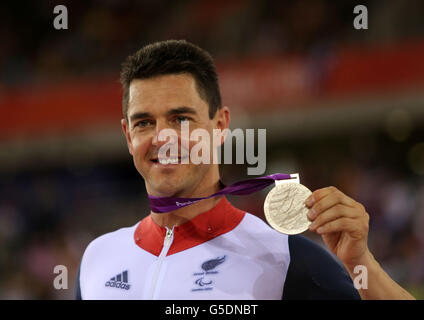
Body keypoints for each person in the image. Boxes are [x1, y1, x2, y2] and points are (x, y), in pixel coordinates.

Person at [75, 40, 415, 300]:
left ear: (220, 125)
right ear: (127, 135)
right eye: (145, 122)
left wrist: (362, 266)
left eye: (181, 119)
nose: (163, 137)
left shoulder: (283, 258)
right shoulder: (98, 258)